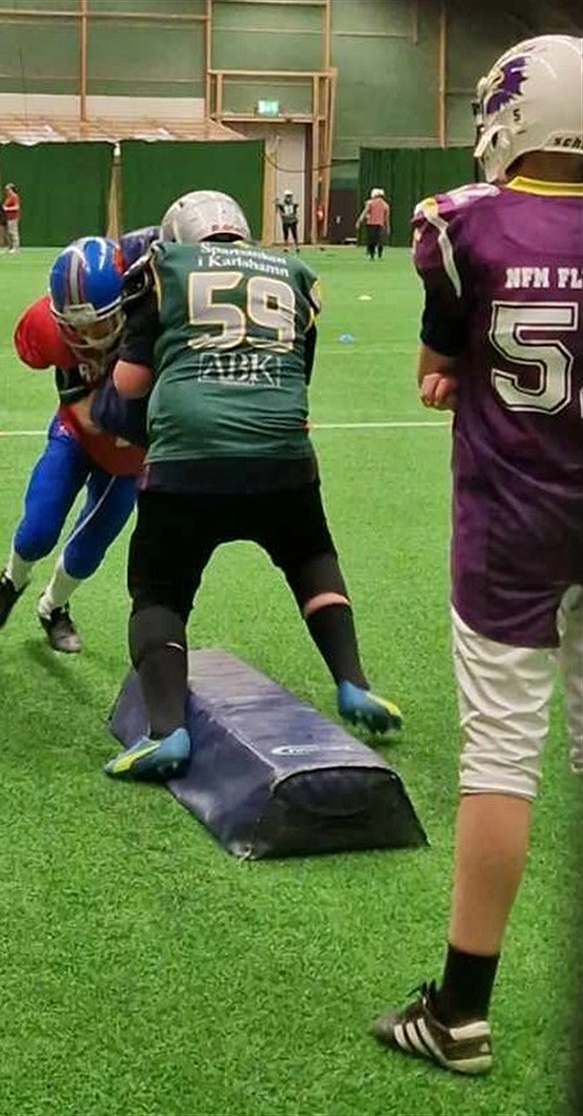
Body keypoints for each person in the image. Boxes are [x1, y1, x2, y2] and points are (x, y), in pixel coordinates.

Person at [371, 34, 582, 1076]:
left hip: (513, 525)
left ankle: (460, 1013)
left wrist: (456, 372)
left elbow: (438, 361)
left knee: (501, 758)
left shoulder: (463, 226)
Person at [102, 190, 402, 781]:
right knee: (310, 558)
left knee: (160, 593)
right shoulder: (293, 273)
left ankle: (166, 731)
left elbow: (131, 382)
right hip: (282, 454)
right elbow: (297, 374)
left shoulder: (163, 266)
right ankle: (353, 682)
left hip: (189, 455)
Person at [0, 230, 157, 653]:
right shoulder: (45, 327)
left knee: (86, 553)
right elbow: (81, 407)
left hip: (128, 459)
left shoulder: (154, 321)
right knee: (37, 530)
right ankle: (12, 579)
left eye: (99, 322)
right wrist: (89, 404)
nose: (88, 335)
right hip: (74, 435)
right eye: (76, 326)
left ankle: (52, 607)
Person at [356, 188, 390, 260]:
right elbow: (386, 218)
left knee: (371, 240)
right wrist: (388, 227)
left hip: (371, 224)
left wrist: (359, 221)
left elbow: (364, 213)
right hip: (380, 224)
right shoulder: (385, 205)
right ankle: (379, 254)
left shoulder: (370, 203)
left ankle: (372, 255)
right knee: (380, 240)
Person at [2, 183, 20, 252]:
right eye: (6, 190)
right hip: (7, 217)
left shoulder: (14, 196)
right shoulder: (8, 197)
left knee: (13, 232)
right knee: (8, 232)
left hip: (13, 217)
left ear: (12, 189)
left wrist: (7, 209)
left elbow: (16, 207)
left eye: (8, 189)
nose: (7, 191)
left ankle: (16, 248)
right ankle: (10, 247)